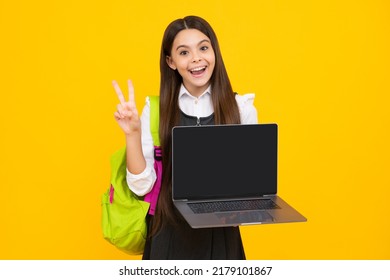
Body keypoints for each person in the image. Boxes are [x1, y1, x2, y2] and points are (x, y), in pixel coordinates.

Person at [112, 15, 258, 259]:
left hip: (221, 237)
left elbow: (250, 186)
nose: (196, 58)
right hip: (167, 236)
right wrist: (132, 133)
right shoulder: (156, 110)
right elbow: (142, 186)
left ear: (214, 52)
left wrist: (252, 206)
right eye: (184, 52)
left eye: (203, 48)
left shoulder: (240, 107)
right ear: (171, 61)